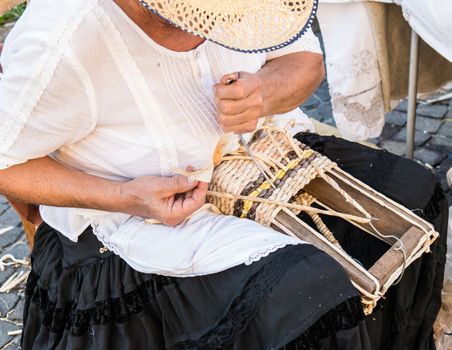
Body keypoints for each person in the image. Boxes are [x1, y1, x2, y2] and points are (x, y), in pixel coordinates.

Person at [0, 0, 446, 349]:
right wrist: (125, 196)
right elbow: (7, 163)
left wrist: (265, 92)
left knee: (417, 194)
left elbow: (305, 61)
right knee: (305, 293)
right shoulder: (63, 39)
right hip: (138, 222)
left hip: (255, 156)